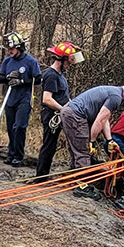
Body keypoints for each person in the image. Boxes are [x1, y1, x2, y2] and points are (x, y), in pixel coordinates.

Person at [59, 79, 124, 199]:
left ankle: (74, 175)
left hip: (69, 111)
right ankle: (82, 186)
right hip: (76, 115)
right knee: (84, 151)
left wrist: (110, 139)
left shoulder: (113, 92)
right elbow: (100, 119)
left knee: (77, 147)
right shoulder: (115, 97)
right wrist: (91, 141)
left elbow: (105, 119)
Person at [35, 41, 83, 179]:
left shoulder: (61, 74)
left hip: (61, 114)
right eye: (68, 61)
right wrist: (64, 110)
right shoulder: (51, 75)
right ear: (62, 59)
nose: (69, 64)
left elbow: (63, 96)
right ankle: (41, 176)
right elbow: (47, 99)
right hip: (51, 116)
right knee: (49, 145)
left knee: (58, 144)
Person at [0, 31, 41, 167]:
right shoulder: (7, 61)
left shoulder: (31, 61)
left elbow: (37, 79)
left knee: (19, 126)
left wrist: (22, 81)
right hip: (10, 99)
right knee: (10, 127)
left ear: (20, 47)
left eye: (12, 49)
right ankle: (11, 152)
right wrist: (8, 77)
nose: (10, 51)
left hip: (24, 99)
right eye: (8, 49)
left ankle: (18, 155)